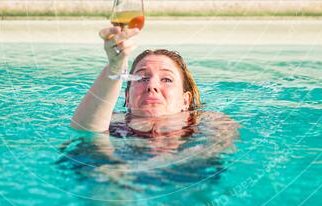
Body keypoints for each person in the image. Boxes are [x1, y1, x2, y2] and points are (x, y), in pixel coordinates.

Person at [70, 26, 237, 145]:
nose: (152, 86)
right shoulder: (111, 121)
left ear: (186, 101)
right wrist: (115, 67)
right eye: (142, 78)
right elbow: (84, 130)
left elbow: (217, 149)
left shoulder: (209, 122)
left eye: (166, 79)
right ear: (127, 98)